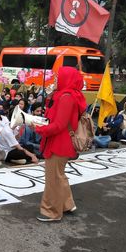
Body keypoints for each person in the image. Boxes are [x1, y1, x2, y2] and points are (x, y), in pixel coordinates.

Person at [32, 66, 87, 222]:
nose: (55, 80)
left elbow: (59, 125)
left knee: (53, 179)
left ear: (66, 79)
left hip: (59, 143)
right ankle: (67, 204)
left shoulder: (66, 97)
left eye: (58, 77)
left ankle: (51, 211)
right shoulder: (67, 95)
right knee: (59, 176)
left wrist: (40, 129)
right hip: (61, 142)